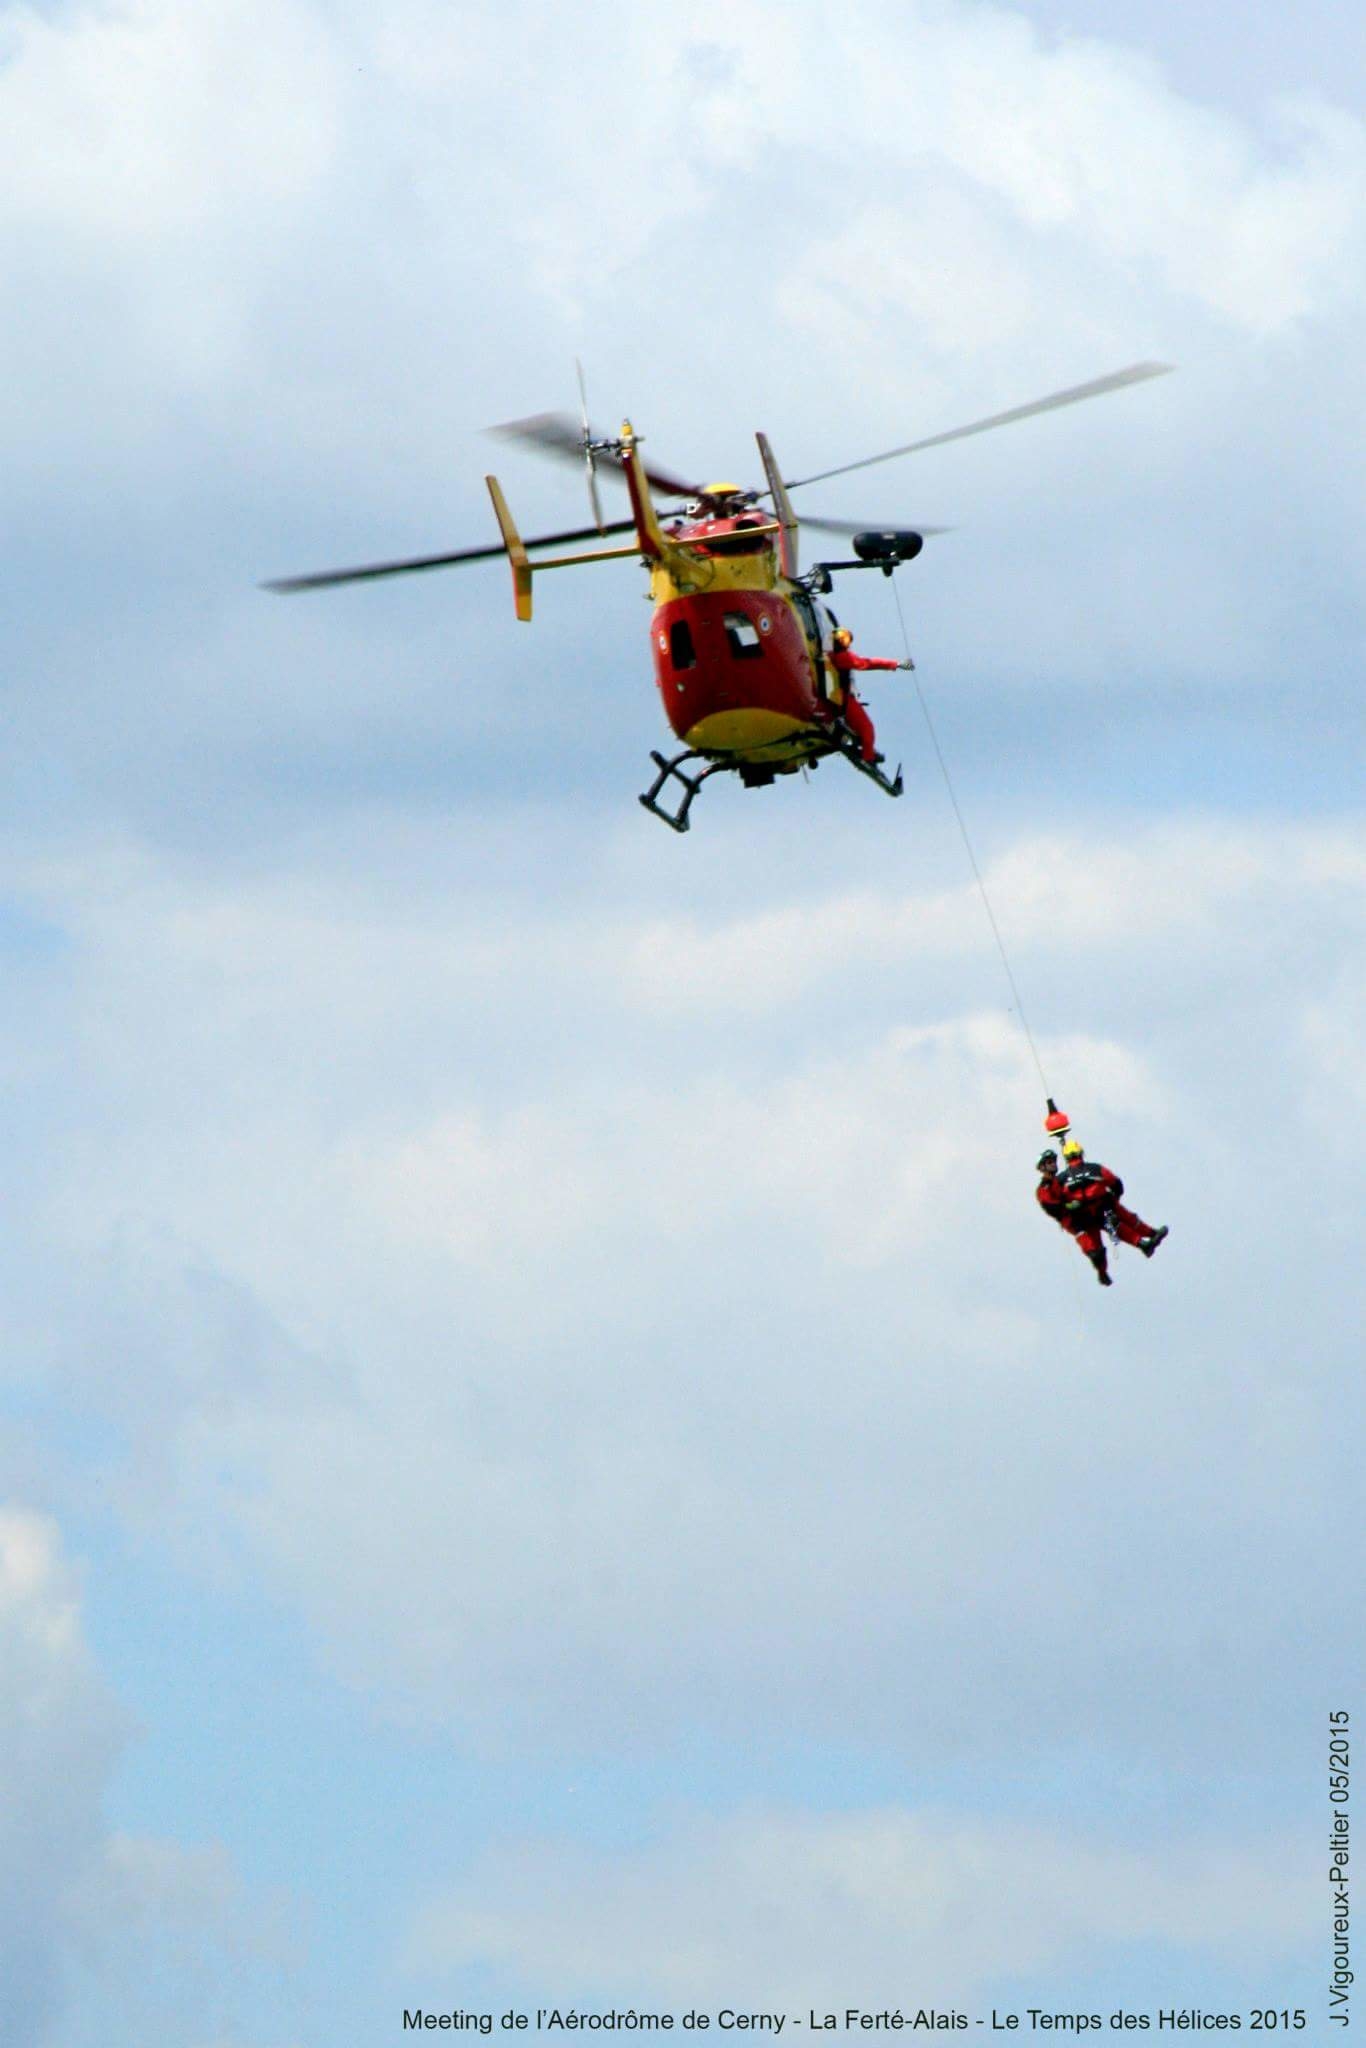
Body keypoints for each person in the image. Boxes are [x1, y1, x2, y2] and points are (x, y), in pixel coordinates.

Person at [1036, 1138, 1168, 1287]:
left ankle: (1105, 1271)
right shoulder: (1095, 1169)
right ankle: (1146, 1240)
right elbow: (1116, 1184)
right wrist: (1112, 1198)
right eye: (1049, 1162)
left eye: (1053, 1161)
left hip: (1086, 1216)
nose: (1052, 1164)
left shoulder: (1061, 1179)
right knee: (1118, 1225)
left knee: (1098, 1247)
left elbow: (1055, 1202)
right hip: (1091, 1214)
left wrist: (1070, 1206)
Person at [828, 626, 912, 763]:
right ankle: (868, 757)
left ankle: (866, 750)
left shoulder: (831, 656)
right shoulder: (844, 657)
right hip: (843, 700)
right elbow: (868, 663)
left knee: (862, 729)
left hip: (835, 698)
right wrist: (896, 664)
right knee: (867, 729)